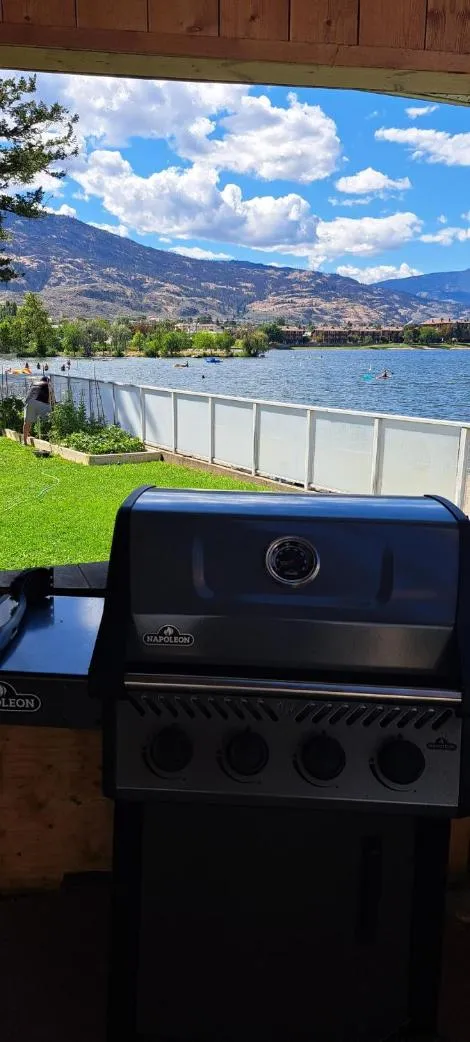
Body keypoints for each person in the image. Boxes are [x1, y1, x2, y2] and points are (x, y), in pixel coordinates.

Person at [23, 375, 52, 445]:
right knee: (51, 419)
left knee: (27, 422)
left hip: (29, 402)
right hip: (41, 403)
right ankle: (50, 439)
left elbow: (29, 394)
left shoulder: (33, 384)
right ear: (48, 381)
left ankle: (24, 441)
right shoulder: (48, 385)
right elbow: (51, 398)